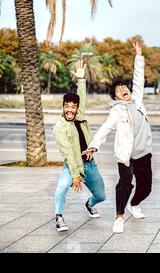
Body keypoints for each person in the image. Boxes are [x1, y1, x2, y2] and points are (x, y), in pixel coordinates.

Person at [83, 42, 153, 233]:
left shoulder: (137, 100)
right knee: (125, 183)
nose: (123, 89)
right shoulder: (117, 110)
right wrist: (93, 146)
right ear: (115, 97)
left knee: (146, 188)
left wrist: (138, 57)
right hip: (126, 155)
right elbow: (105, 129)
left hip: (144, 153)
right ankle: (119, 217)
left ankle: (135, 204)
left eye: (124, 87)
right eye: (118, 90)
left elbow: (139, 80)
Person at [52, 60, 106, 232]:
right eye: (66, 107)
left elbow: (82, 100)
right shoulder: (60, 127)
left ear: (76, 109)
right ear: (63, 107)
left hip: (90, 165)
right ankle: (59, 217)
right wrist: (76, 175)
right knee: (61, 188)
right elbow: (69, 152)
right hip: (73, 165)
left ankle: (89, 204)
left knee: (101, 196)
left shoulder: (79, 117)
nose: (70, 110)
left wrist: (81, 80)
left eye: (73, 107)